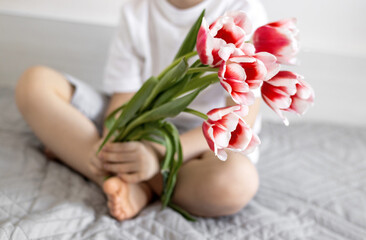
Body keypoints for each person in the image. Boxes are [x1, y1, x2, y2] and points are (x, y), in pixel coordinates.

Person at [15, 0, 267, 221]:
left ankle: (135, 180)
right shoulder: (137, 10)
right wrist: (113, 137)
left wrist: (156, 155)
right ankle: (122, 170)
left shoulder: (244, 10)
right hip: (140, 120)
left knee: (236, 182)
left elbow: (239, 122)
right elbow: (124, 98)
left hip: (201, 143)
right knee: (34, 84)